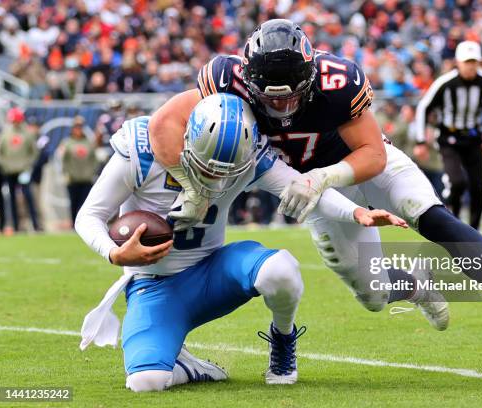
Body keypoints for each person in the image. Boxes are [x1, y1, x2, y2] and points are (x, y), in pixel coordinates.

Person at [147, 19, 482, 336]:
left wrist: (324, 176)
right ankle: (416, 285)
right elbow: (164, 122)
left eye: (293, 95)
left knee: (425, 211)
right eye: (272, 98)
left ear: (310, 75)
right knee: (372, 294)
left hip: (351, 163)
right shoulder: (225, 78)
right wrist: (190, 185)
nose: (284, 107)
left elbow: (374, 154)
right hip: (312, 193)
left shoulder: (338, 81)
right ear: (250, 81)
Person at [75, 93, 406, 391]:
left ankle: (283, 338)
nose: (216, 180)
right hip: (154, 286)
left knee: (281, 270)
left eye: (226, 172)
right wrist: (114, 253)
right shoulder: (143, 151)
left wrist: (355, 212)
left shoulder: (252, 153)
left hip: (213, 272)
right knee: (145, 381)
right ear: (187, 139)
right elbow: (89, 215)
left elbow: (302, 186)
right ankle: (189, 367)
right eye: (208, 170)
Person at [415, 40, 482, 230]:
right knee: (457, 183)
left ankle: (475, 229)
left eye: (474, 62)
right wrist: (421, 140)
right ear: (458, 62)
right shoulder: (445, 83)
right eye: (466, 62)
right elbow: (424, 107)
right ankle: (454, 224)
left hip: (473, 138)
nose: (470, 66)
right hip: (449, 139)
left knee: (478, 186)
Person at [0, 107, 40, 232]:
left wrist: (28, 166)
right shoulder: (5, 133)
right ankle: (15, 227)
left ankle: (35, 225)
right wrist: (5, 165)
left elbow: (34, 152)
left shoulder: (27, 133)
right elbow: (0, 153)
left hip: (23, 171)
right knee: (12, 200)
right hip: (9, 171)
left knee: (29, 198)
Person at [58, 116, 98, 224]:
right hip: (72, 178)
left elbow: (94, 159)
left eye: (80, 127)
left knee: (85, 203)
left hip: (86, 178)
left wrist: (92, 172)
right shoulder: (67, 143)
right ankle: (74, 223)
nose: (78, 129)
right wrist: (65, 173)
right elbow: (62, 159)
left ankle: (83, 224)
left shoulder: (89, 142)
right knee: (73, 202)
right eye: (76, 127)